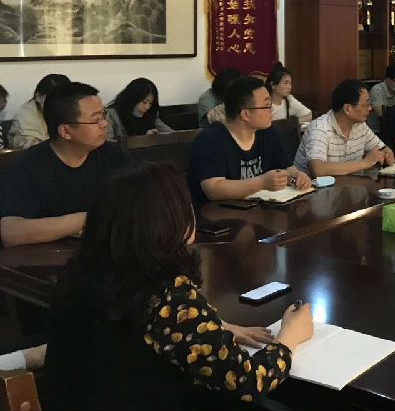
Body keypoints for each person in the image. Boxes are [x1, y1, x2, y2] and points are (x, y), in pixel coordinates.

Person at [44, 162, 313, 408]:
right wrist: (289, 337)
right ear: (169, 222)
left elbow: (135, 337)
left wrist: (212, 328)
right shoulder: (166, 294)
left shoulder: (80, 274)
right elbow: (249, 382)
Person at [1, 82, 133, 247]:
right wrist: (88, 219)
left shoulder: (114, 155)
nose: (104, 124)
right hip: (51, 256)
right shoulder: (29, 166)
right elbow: (10, 232)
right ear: (65, 131)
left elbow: (142, 200)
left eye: (103, 115)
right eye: (95, 120)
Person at [187, 76, 312, 203]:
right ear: (245, 114)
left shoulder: (267, 132)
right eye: (267, 105)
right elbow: (213, 189)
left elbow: (286, 167)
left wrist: (296, 176)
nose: (272, 110)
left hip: (261, 207)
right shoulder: (210, 139)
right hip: (219, 211)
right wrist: (261, 183)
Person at [294, 79, 394, 176]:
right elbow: (318, 169)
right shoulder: (320, 129)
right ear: (347, 109)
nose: (370, 108)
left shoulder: (360, 125)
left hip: (346, 184)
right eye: (366, 104)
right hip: (311, 186)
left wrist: (387, 154)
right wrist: (366, 162)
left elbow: (382, 148)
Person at [8, 73, 70, 149]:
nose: (59, 105)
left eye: (65, 100)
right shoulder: (25, 116)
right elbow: (36, 148)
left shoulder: (72, 111)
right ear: (38, 97)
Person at [105, 77, 174, 142]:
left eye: (150, 103)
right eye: (144, 102)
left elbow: (173, 135)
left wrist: (156, 136)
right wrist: (143, 139)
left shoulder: (150, 114)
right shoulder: (111, 115)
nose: (147, 107)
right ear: (132, 99)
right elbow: (107, 145)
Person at [367, 62, 395, 133]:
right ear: (388, 80)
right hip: (376, 131)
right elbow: (382, 114)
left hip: (394, 127)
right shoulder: (377, 90)